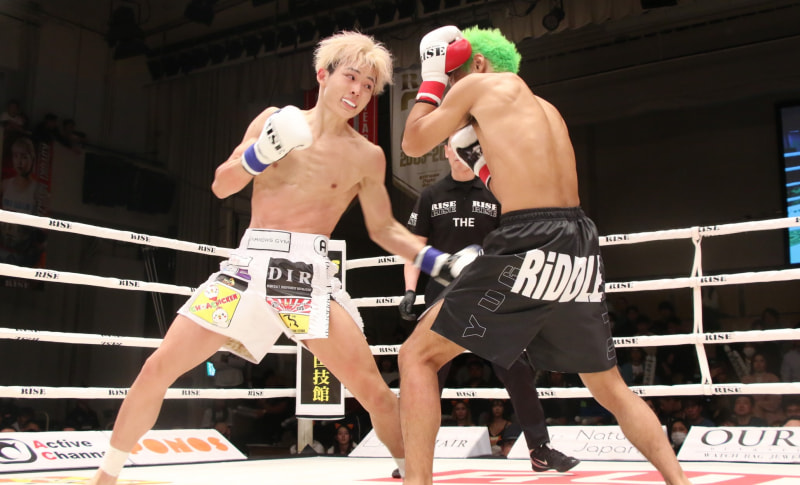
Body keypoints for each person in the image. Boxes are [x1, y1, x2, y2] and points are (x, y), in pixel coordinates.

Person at [88, 31, 437, 485]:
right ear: (323, 75)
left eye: (368, 85)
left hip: (308, 275)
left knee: (373, 391)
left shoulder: (367, 155)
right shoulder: (275, 119)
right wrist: (259, 154)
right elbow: (221, 185)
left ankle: (414, 477)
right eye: (351, 77)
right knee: (157, 369)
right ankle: (106, 478)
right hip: (249, 268)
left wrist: (434, 260)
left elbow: (383, 228)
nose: (357, 91)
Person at [398, 25, 691, 484]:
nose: (454, 87)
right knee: (609, 387)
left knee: (417, 356)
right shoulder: (547, 110)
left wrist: (433, 77)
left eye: (456, 75)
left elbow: (413, 142)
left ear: (478, 63)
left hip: (529, 239)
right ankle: (679, 481)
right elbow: (523, 189)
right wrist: (482, 167)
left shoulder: (479, 85)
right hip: (577, 242)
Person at [399, 131, 578, 472]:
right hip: (442, 295)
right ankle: (410, 458)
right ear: (446, 150)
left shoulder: (496, 192)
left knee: (518, 368)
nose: (460, 153)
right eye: (453, 146)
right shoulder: (430, 195)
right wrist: (409, 290)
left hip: (489, 293)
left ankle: (540, 449)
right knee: (426, 373)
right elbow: (414, 247)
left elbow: (514, 243)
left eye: (467, 147)